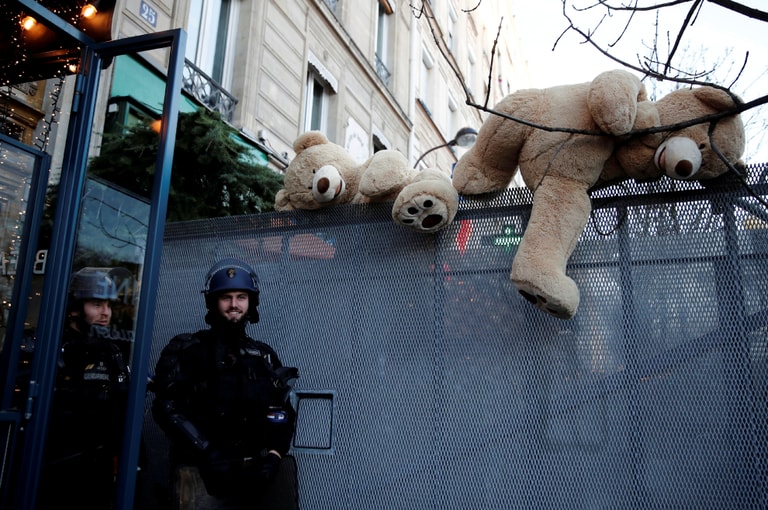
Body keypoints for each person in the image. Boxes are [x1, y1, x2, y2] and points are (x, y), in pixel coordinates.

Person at [151, 257, 299, 509]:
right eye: (226, 297)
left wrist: (274, 456)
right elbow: (166, 407)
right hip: (202, 473)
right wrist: (207, 452)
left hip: (257, 475)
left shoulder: (263, 355)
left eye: (241, 297)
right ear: (213, 301)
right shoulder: (188, 349)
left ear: (251, 302)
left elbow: (283, 412)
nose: (234, 305)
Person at [38, 267, 131, 509]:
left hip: (100, 464)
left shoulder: (111, 351)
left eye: (108, 305)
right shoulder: (54, 348)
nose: (105, 313)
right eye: (97, 304)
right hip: (59, 463)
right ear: (74, 309)